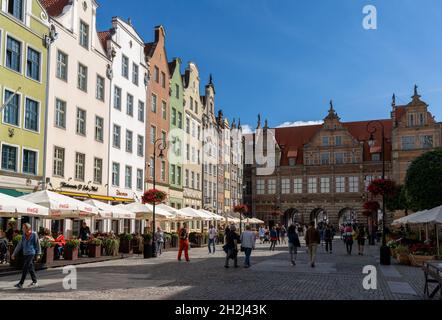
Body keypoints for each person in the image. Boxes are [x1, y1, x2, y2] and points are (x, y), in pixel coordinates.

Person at [12, 223, 41, 289]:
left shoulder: (34, 234)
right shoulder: (23, 236)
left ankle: (21, 283)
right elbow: (19, 245)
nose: (22, 229)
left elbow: (37, 244)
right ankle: (35, 281)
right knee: (30, 268)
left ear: (28, 228)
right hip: (25, 253)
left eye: (23, 228)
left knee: (25, 267)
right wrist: (14, 253)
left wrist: (38, 254)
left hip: (31, 253)